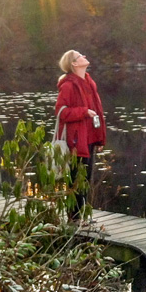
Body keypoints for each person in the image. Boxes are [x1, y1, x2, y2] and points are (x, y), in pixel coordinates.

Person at [55, 50, 106, 222]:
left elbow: (97, 112)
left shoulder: (89, 82)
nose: (84, 56)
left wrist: (99, 138)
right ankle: (74, 218)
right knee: (77, 177)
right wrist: (83, 112)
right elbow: (62, 112)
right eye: (80, 56)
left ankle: (80, 216)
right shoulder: (69, 85)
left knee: (86, 177)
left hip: (89, 137)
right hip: (76, 140)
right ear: (74, 64)